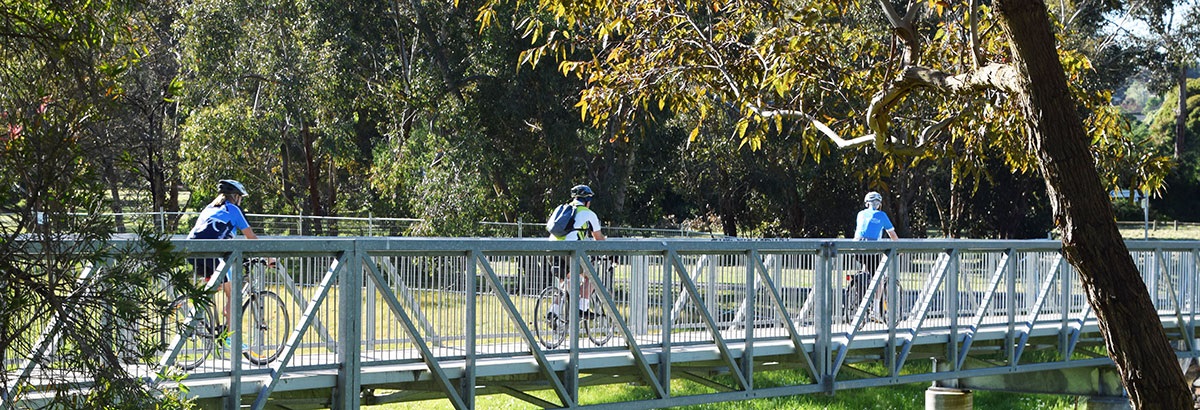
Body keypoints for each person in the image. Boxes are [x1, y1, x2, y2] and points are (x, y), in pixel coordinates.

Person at [187, 179, 270, 332]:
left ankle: (197, 314)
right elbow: (251, 237)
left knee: (218, 285)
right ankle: (230, 337)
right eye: (241, 198)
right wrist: (269, 257)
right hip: (211, 252)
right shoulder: (233, 209)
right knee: (234, 295)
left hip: (190, 251)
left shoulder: (208, 208)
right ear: (236, 197)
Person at [548, 184, 606, 315]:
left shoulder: (562, 209)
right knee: (592, 277)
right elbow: (599, 239)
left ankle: (553, 312)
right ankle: (583, 308)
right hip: (571, 253)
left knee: (564, 284)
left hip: (552, 251)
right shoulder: (588, 214)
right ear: (588, 201)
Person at [853, 191, 899, 320]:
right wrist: (899, 248)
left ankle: (861, 292)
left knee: (866, 270)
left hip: (856, 248)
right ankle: (875, 311)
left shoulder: (860, 214)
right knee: (879, 277)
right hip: (872, 250)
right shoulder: (882, 215)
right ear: (879, 204)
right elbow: (893, 235)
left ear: (866, 203)